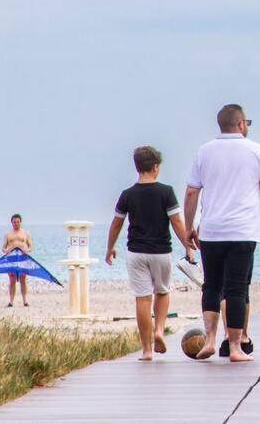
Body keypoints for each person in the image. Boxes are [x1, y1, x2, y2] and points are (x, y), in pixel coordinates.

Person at [183, 104, 260, 362]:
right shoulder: (256, 151)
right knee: (236, 289)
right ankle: (234, 347)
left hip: (211, 231)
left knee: (212, 286)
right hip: (242, 231)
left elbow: (191, 192)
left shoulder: (204, 152)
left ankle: (208, 340)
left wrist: (189, 227)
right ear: (241, 124)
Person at [105, 146, 195, 361]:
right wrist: (188, 246)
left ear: (137, 167)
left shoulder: (127, 194)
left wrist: (110, 248)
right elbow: (176, 222)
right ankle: (159, 330)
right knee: (162, 292)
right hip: (161, 252)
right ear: (156, 167)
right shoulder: (166, 192)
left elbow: (117, 223)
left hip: (136, 252)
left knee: (142, 299)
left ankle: (146, 350)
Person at [2, 213, 34, 307]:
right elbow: (3, 248)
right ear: (11, 223)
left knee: (23, 279)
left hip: (22, 259)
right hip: (11, 259)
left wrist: (27, 250)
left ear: (20, 222)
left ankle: (25, 301)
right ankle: (11, 301)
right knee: (11, 280)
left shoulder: (25, 233)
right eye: (14, 222)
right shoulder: (8, 234)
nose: (16, 223)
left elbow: (31, 246)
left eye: (18, 222)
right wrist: (6, 251)